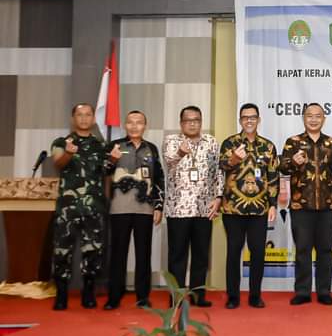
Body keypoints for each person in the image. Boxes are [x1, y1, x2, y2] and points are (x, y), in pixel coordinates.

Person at [279, 103, 332, 305]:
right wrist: (293, 161)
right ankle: (302, 291)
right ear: (304, 118)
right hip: (301, 207)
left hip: (327, 207)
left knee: (325, 251)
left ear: (323, 119)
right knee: (302, 250)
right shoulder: (293, 142)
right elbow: (282, 167)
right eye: (309, 115)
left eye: (318, 116)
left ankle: (324, 291)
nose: (313, 119)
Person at [219, 103, 279, 309]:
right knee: (234, 251)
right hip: (233, 208)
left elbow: (273, 177)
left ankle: (255, 295)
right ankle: (233, 296)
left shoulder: (268, 146)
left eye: (253, 117)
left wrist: (273, 205)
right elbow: (222, 166)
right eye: (245, 117)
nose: (249, 120)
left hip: (260, 209)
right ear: (240, 120)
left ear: (259, 119)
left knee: (258, 252)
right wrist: (234, 158)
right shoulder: (230, 143)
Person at [162, 106, 223, 307]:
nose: (192, 123)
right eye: (188, 120)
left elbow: (218, 172)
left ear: (201, 121)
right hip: (178, 208)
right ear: (181, 123)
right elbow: (169, 163)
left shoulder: (211, 142)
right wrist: (180, 152)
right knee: (177, 256)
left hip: (204, 208)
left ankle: (198, 296)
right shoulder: (171, 141)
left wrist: (218, 197)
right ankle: (176, 298)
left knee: (201, 255)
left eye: (196, 120)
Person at [104, 110, 164, 310]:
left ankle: (142, 297)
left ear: (145, 126)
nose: (135, 126)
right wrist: (111, 160)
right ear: (125, 125)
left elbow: (159, 179)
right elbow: (102, 171)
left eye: (139, 122)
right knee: (118, 255)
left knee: (143, 255)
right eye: (131, 122)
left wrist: (158, 206)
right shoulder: (115, 147)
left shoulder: (151, 149)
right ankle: (114, 296)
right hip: (119, 209)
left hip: (145, 210)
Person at [50, 103, 108, 310]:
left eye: (88, 115)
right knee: (62, 251)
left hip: (94, 207)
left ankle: (89, 292)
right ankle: (62, 293)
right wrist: (68, 153)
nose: (84, 118)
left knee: (92, 251)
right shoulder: (61, 142)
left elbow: (106, 174)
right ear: (73, 118)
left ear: (93, 118)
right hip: (68, 208)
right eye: (79, 115)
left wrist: (114, 160)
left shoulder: (100, 145)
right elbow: (58, 163)